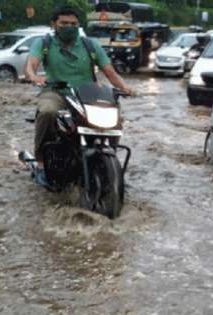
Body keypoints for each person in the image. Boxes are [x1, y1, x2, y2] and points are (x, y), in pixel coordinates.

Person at [24, 6, 136, 185]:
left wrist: (125, 88)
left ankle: (108, 158)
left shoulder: (90, 45)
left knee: (115, 117)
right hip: (56, 92)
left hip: (87, 95)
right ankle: (41, 163)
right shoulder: (43, 43)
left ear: (79, 25)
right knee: (47, 112)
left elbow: (110, 72)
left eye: (73, 23)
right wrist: (34, 76)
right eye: (64, 23)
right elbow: (31, 64)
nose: (69, 26)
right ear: (54, 24)